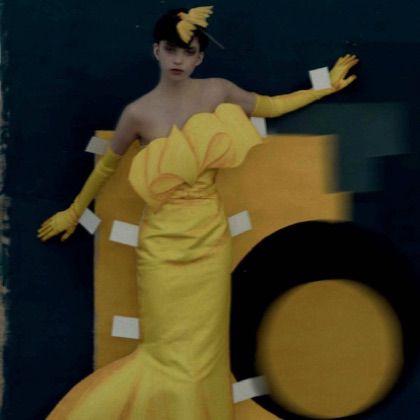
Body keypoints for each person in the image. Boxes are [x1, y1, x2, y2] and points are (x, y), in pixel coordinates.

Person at [38, 6, 358, 419]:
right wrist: (73, 211)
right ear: (156, 50)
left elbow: (271, 106)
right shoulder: (138, 113)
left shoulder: (218, 91)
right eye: (171, 49)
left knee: (204, 352)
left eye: (187, 51)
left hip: (209, 240)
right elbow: (106, 167)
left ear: (199, 58)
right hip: (161, 245)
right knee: (163, 352)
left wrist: (325, 87)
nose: (178, 59)